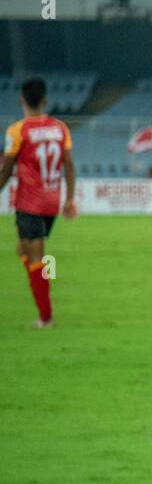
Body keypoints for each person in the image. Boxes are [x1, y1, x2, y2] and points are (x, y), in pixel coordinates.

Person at [0, 77, 76, 327]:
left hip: (29, 203)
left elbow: (6, 171)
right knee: (24, 251)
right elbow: (69, 164)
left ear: (21, 99)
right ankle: (44, 287)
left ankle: (46, 316)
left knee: (37, 259)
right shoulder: (60, 128)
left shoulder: (17, 130)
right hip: (51, 202)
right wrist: (70, 199)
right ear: (45, 100)